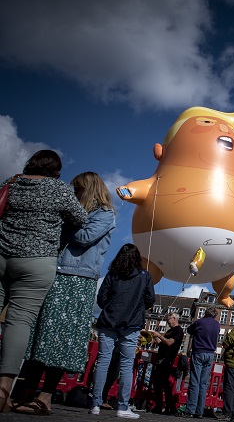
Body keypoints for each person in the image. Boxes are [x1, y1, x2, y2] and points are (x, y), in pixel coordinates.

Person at [11, 171, 115, 415]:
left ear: (87, 190)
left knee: (62, 339)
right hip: (58, 273)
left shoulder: (104, 214)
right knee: (42, 337)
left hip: (78, 279)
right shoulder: (80, 214)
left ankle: (45, 397)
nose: (74, 194)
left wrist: (64, 222)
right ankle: (27, 393)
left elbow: (84, 237)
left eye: (77, 190)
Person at [0, 149, 87, 411]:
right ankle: (3, 389)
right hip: (36, 261)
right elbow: (80, 219)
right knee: (20, 321)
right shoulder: (59, 190)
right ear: (56, 169)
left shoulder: (12, 182)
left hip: (2, 252)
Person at [89, 244, 155, 419]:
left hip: (108, 321)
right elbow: (150, 299)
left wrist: (111, 308)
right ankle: (122, 406)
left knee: (103, 361)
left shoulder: (112, 275)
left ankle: (95, 403)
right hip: (131, 324)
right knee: (126, 365)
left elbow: (101, 298)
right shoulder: (144, 276)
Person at [179, 307, 221, 418]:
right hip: (210, 354)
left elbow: (189, 330)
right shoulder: (217, 325)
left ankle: (191, 410)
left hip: (198, 352)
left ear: (205, 314)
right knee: (203, 383)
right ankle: (199, 410)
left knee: (195, 381)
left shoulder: (199, 322)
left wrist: (201, 320)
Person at [150, 312, 184, 415]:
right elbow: (163, 343)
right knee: (158, 383)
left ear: (174, 319)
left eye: (169, 319)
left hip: (167, 359)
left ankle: (170, 407)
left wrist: (159, 336)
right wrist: (157, 338)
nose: (168, 321)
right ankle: (160, 406)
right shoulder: (169, 331)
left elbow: (169, 342)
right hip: (161, 358)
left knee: (165, 384)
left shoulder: (178, 330)